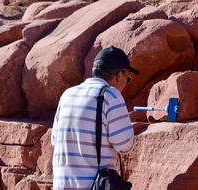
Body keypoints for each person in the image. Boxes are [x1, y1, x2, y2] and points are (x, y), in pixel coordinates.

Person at [51, 46, 139, 189]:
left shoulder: (67, 94)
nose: (126, 84)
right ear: (119, 76)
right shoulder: (110, 95)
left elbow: (54, 140)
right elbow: (124, 146)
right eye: (128, 78)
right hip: (92, 186)